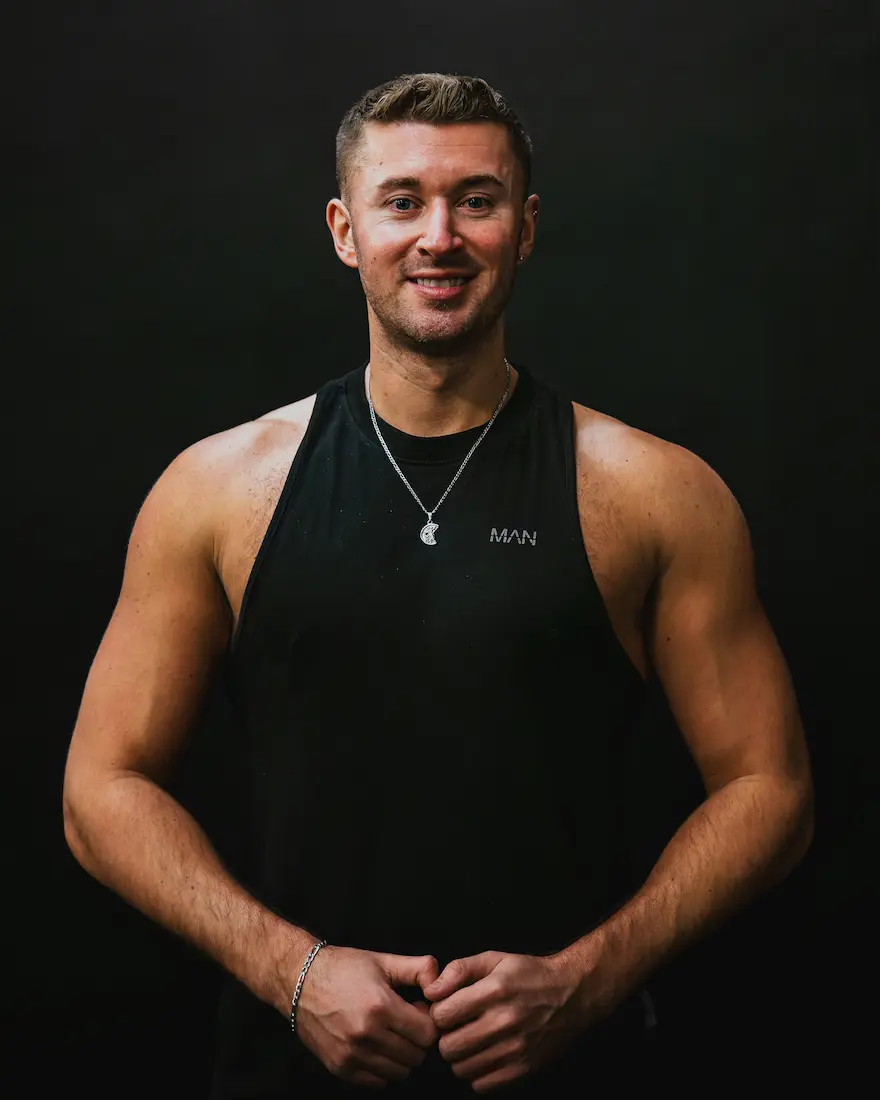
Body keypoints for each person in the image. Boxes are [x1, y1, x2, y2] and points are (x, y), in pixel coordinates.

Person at [63, 72, 814, 1098]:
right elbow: (100, 789)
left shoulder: (654, 493)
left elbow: (769, 787)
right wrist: (293, 972)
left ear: (526, 225)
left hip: (574, 1067)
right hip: (288, 1067)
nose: (439, 236)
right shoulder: (216, 490)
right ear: (344, 227)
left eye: (477, 198)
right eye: (402, 199)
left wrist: (585, 981)